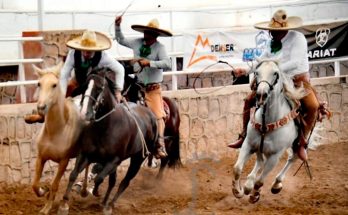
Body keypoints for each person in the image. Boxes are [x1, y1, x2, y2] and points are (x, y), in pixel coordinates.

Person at [227, 9, 330, 161]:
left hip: (298, 80)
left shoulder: (298, 38)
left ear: (284, 29)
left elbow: (295, 62)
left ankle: (301, 143)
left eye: (274, 31)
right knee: (249, 100)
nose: (271, 33)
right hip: (276, 80)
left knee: (313, 106)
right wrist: (246, 70)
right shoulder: (271, 43)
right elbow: (262, 60)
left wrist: (274, 70)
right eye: (271, 31)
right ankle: (244, 136)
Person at [25, 30, 125, 123]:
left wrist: (118, 91)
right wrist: (62, 96)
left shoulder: (103, 57)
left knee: (105, 102)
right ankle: (43, 116)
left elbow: (120, 69)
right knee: (57, 95)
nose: (86, 54)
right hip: (77, 82)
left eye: (89, 51)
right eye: (84, 50)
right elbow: (64, 75)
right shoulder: (73, 54)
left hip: (95, 86)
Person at [114, 16, 172, 159]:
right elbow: (121, 40)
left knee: (158, 115)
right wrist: (117, 26)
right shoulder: (136, 42)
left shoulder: (160, 48)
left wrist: (150, 63)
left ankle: (160, 143)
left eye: (150, 33)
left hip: (152, 89)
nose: (146, 35)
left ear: (156, 35)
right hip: (137, 84)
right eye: (146, 32)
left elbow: (168, 64)